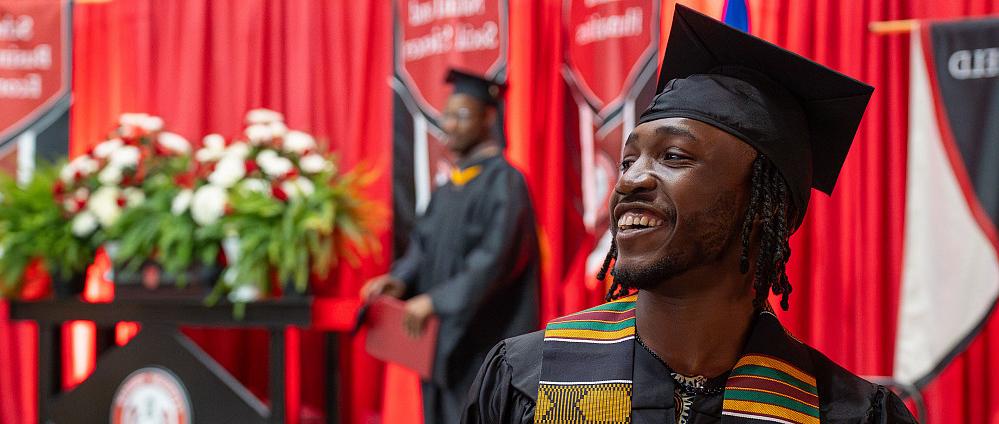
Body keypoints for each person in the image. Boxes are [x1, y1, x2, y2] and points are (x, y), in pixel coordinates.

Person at [463, 6, 918, 424]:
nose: (630, 181)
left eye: (674, 157)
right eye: (628, 161)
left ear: (766, 207)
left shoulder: (845, 412)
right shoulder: (528, 378)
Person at [361, 69, 540, 424]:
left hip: (487, 343)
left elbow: (493, 261)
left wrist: (435, 300)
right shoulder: (446, 188)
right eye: (447, 114)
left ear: (488, 116)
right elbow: (421, 247)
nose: (450, 124)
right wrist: (399, 279)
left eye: (462, 115)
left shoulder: (505, 183)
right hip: (440, 346)